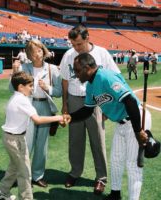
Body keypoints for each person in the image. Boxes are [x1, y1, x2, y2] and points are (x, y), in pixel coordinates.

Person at [68, 53, 151, 200]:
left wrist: (138, 131)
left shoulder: (105, 76)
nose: (76, 74)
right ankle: (115, 194)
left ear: (87, 68)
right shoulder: (90, 86)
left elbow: (130, 101)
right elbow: (87, 110)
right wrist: (70, 117)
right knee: (116, 159)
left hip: (135, 118)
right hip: (121, 123)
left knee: (133, 165)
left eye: (77, 70)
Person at [59, 24, 120, 194]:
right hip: (74, 99)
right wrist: (65, 104)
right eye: (73, 44)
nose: (76, 48)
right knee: (75, 140)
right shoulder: (69, 55)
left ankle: (101, 177)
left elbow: (114, 77)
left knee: (97, 140)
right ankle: (74, 172)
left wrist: (107, 105)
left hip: (96, 101)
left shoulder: (101, 53)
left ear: (87, 38)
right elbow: (65, 80)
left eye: (79, 44)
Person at [0, 71, 65, 200]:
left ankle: (2, 191)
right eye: (30, 85)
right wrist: (58, 117)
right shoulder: (22, 100)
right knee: (25, 172)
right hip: (14, 140)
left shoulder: (16, 97)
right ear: (21, 87)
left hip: (14, 138)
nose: (33, 88)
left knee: (14, 167)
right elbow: (37, 119)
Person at [9, 39, 62, 188]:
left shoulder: (53, 69)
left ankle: (37, 176)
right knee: (25, 144)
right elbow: (11, 89)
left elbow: (58, 92)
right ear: (29, 55)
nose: (36, 54)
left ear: (43, 51)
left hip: (45, 106)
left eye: (38, 50)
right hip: (27, 107)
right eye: (32, 52)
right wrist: (14, 72)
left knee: (41, 145)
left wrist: (48, 88)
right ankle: (20, 175)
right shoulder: (24, 67)